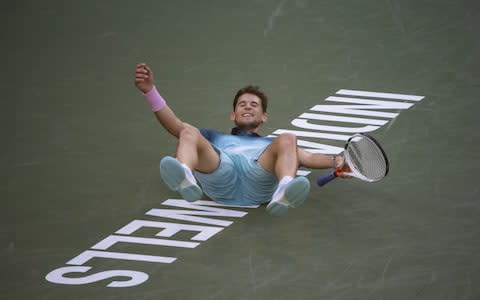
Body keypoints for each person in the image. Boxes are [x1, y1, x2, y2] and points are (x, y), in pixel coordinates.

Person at [134, 63, 350, 216]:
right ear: (233, 114)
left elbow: (309, 157)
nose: (247, 106)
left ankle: (284, 189)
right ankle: (185, 177)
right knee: (188, 131)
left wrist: (338, 161)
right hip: (221, 174)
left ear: (264, 116)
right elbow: (175, 126)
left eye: (254, 104)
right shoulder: (215, 137)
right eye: (242, 104)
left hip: (259, 181)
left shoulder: (272, 144)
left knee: (288, 138)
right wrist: (150, 91)